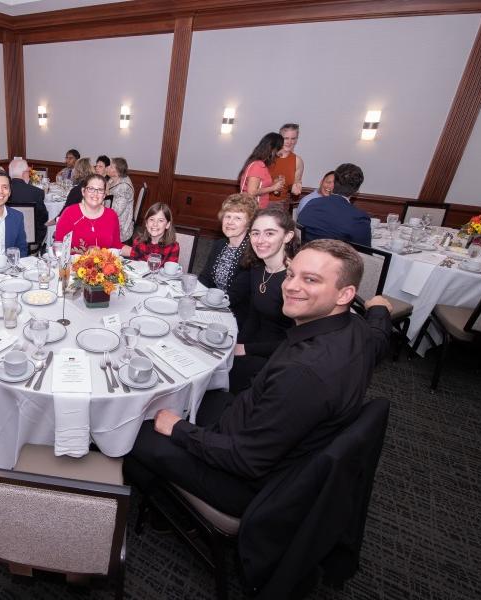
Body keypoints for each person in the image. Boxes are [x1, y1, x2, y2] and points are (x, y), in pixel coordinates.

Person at [123, 239, 393, 517]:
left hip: (247, 482)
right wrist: (379, 308)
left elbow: (245, 458)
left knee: (134, 430)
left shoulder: (302, 374)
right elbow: (380, 335)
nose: (290, 286)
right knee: (202, 392)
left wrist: (178, 428)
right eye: (290, 274)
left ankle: (164, 512)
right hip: (250, 423)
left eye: (310, 280)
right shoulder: (359, 331)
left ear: (344, 294)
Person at [229, 207, 298, 392]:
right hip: (254, 343)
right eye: (255, 233)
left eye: (270, 233)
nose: (260, 241)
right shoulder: (258, 268)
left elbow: (297, 340)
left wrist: (247, 350)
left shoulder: (294, 281)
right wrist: (238, 345)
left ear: (287, 236)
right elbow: (253, 314)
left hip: (281, 355)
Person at [198, 194, 258, 320]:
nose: (230, 222)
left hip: (234, 314)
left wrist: (206, 306)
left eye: (238, 218)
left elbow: (236, 296)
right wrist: (196, 297)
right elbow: (205, 278)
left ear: (249, 224)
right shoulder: (220, 244)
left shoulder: (252, 252)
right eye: (228, 216)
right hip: (212, 304)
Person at [297, 163, 371, 247]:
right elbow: (365, 254)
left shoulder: (312, 203)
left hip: (304, 256)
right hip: (333, 258)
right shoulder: (358, 217)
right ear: (356, 190)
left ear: (334, 183)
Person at [54, 174, 122, 251]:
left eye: (100, 190)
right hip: (73, 262)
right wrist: (85, 254)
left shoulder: (111, 215)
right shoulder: (70, 213)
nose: (95, 194)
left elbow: (117, 247)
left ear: (104, 195)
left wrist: (134, 252)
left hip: (103, 262)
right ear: (83, 191)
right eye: (91, 189)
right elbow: (58, 246)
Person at [239, 133, 286, 208]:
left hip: (258, 208)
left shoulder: (261, 164)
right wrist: (273, 188)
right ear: (273, 149)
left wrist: (274, 184)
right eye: (281, 147)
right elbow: (251, 192)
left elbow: (260, 186)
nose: (283, 150)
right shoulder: (258, 165)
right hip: (253, 209)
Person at [8, 158, 48, 246]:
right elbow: (44, 218)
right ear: (23, 173)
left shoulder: (3, 192)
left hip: (8, 238)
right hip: (32, 240)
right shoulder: (37, 192)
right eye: (28, 172)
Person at [268, 123, 305, 205]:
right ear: (280, 138)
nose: (289, 142)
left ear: (296, 139)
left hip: (281, 205)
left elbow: (295, 192)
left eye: (293, 138)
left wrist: (296, 192)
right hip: (259, 202)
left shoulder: (298, 161)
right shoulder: (268, 156)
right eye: (286, 138)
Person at [106, 157, 135, 242]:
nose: (107, 167)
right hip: (111, 219)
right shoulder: (113, 179)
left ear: (117, 171)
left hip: (120, 228)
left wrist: (107, 193)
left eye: (111, 167)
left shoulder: (123, 187)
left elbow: (116, 211)